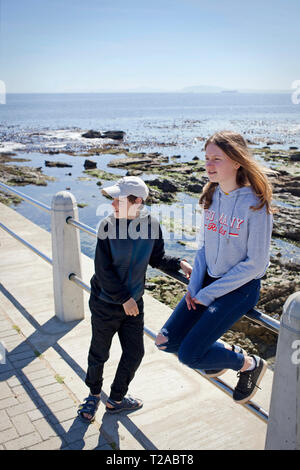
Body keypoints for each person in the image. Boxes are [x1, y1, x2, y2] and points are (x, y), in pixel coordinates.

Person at [155, 130, 275, 405]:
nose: (209, 165)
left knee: (189, 355)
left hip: (240, 289)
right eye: (207, 158)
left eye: (216, 159)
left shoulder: (256, 203)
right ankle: (220, 355)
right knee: (164, 341)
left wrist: (209, 294)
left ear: (236, 161)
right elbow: (204, 249)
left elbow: (256, 264)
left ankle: (248, 364)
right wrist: (195, 287)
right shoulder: (211, 197)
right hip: (207, 283)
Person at [78, 176, 192, 423]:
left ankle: (116, 399)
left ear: (137, 201)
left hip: (133, 304)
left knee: (135, 353)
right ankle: (93, 395)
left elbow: (156, 258)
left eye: (118, 200)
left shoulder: (151, 224)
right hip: (105, 302)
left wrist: (179, 263)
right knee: (99, 353)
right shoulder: (106, 226)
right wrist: (124, 299)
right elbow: (103, 269)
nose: (112, 205)